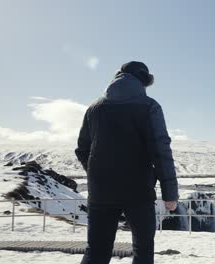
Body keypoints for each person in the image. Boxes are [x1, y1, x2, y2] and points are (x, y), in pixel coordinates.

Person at [75, 61, 179, 264]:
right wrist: (170, 193)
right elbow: (161, 150)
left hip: (100, 191)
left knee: (96, 249)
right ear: (143, 82)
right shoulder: (149, 106)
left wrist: (98, 173)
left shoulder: (94, 108)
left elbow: (82, 149)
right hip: (138, 190)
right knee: (143, 249)